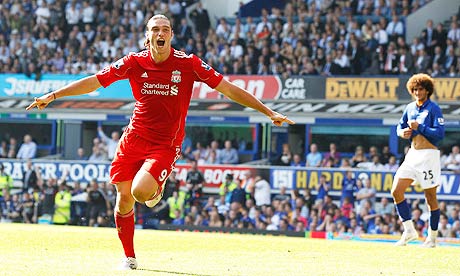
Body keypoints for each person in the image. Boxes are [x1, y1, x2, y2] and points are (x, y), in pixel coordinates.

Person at [25, 14, 294, 270]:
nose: (160, 33)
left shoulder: (188, 63)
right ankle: (129, 257)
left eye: (165, 29)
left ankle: (156, 189)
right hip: (133, 138)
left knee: (141, 192)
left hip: (165, 143)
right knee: (123, 201)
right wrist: (54, 94)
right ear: (147, 37)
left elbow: (227, 88)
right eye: (155, 29)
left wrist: (268, 112)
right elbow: (96, 81)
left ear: (172, 35)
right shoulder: (133, 62)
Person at [391, 73, 445, 247]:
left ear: (427, 90)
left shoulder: (434, 108)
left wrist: (420, 127)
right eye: (414, 89)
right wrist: (403, 133)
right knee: (396, 190)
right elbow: (400, 127)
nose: (417, 92)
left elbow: (440, 134)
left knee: (430, 197)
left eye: (420, 89)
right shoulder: (410, 108)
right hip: (412, 154)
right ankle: (409, 231)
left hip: (429, 156)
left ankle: (432, 238)